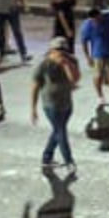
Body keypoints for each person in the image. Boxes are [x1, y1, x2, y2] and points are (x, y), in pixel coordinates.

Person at [29, 35, 80, 173]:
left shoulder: (71, 61)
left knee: (58, 131)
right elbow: (35, 86)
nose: (60, 53)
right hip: (51, 104)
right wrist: (33, 109)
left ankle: (46, 158)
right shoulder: (44, 64)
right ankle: (69, 160)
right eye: (58, 50)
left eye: (63, 50)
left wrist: (67, 65)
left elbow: (75, 80)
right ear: (51, 50)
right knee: (61, 132)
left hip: (67, 103)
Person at [77, 5, 109, 106]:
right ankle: (100, 96)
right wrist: (88, 57)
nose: (97, 21)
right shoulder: (87, 25)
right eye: (94, 19)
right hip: (98, 53)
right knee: (98, 75)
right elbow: (84, 42)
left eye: (98, 18)